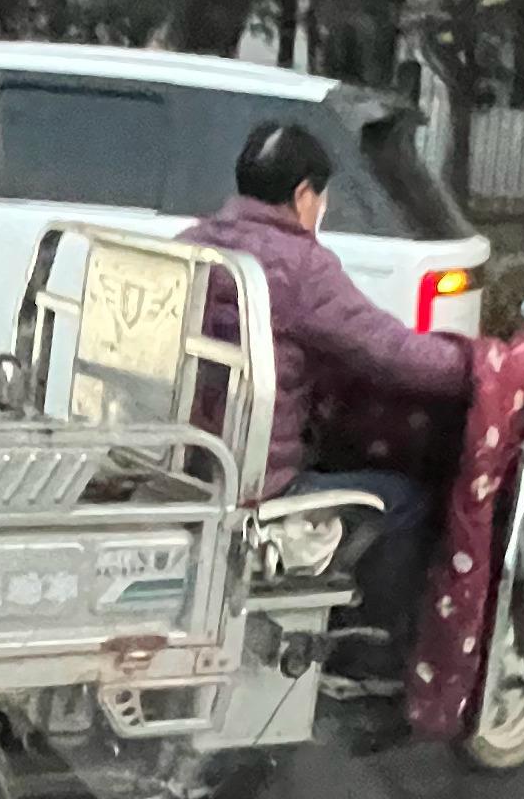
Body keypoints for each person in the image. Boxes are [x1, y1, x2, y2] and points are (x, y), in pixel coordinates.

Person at [183, 115, 475, 647]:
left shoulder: (192, 242)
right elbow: (391, 350)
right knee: (407, 500)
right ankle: (371, 645)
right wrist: (476, 364)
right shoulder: (301, 266)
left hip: (189, 462)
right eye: (321, 197)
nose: (322, 210)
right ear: (302, 194)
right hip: (259, 486)